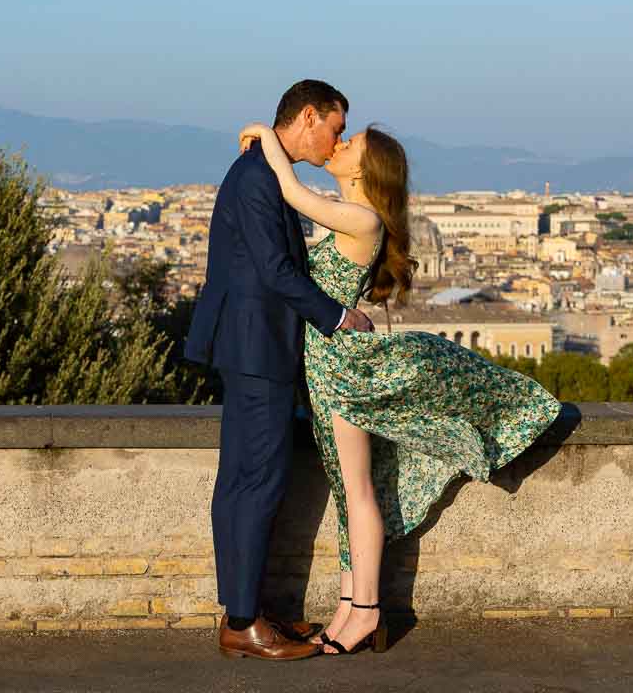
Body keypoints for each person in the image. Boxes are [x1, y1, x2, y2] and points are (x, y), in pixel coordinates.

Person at [236, 121, 562, 655]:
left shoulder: (360, 218)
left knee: (358, 489)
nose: (338, 146)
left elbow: (291, 192)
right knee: (350, 489)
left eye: (350, 144)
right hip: (327, 366)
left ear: (366, 170)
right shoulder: (352, 215)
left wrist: (268, 138)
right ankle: (349, 606)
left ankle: (366, 611)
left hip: (344, 370)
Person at [185, 80, 376, 661]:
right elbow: (274, 269)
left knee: (246, 479)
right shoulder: (259, 177)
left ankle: (245, 612)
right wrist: (339, 317)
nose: (335, 141)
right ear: (311, 116)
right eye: (336, 129)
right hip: (257, 348)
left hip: (251, 346)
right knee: (257, 481)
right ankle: (242, 622)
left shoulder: (260, 172)